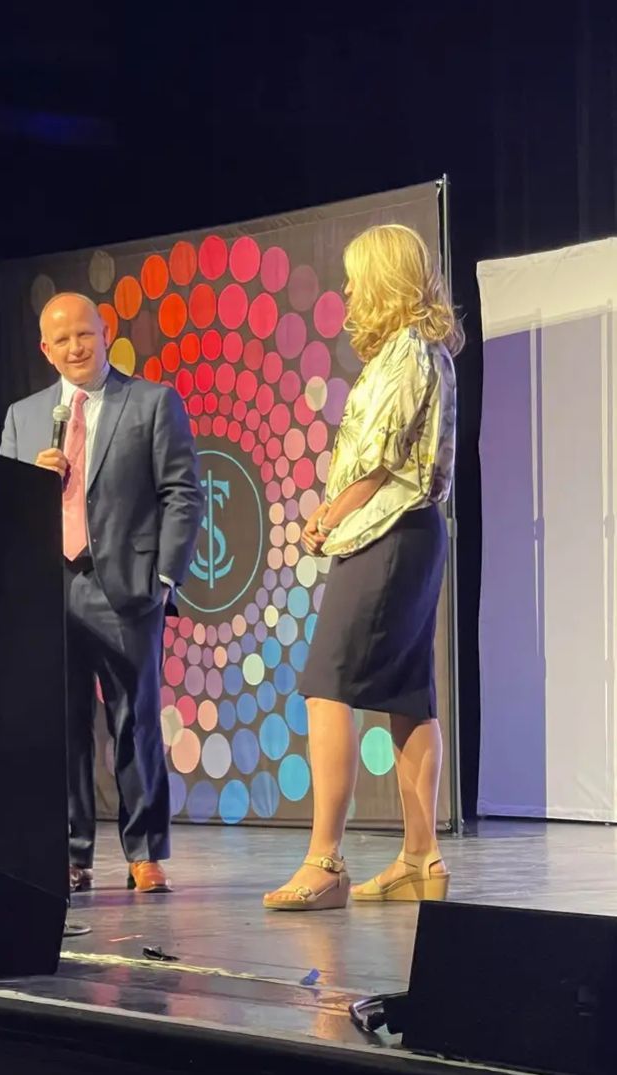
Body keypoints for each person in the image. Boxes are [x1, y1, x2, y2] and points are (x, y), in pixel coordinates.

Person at [263, 224, 462, 911]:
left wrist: (327, 514)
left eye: (355, 277)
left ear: (384, 279)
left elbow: (378, 456)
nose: (346, 290)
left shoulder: (409, 350)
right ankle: (419, 858)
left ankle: (325, 861)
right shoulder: (415, 352)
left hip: (387, 532)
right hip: (409, 532)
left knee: (327, 685)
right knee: (407, 694)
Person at [0, 293, 203, 894]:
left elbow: (183, 494)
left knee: (134, 722)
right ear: (45, 350)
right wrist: (32, 486)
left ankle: (144, 852)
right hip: (50, 588)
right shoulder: (24, 415)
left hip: (125, 587)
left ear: (104, 330)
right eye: (61, 341)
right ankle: (69, 853)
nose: (75, 348)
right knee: (61, 727)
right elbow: (3, 508)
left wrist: (163, 578)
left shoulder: (150, 402)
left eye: (84, 335)